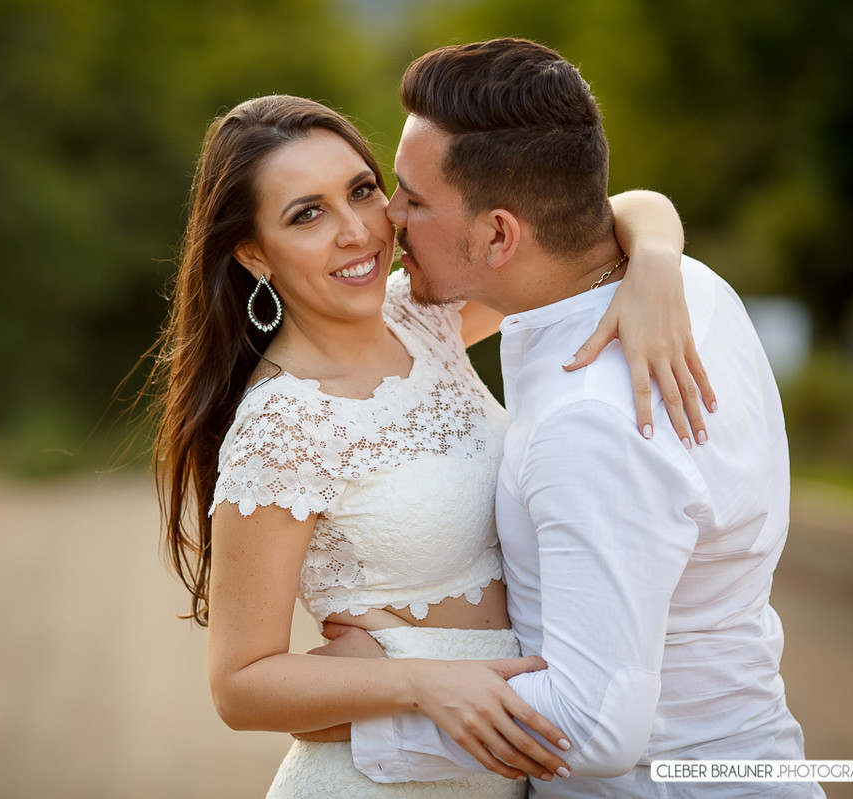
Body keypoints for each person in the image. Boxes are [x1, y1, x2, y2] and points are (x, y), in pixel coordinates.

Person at [149, 93, 709, 798]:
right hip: (376, 781)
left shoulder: (423, 316)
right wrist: (417, 679)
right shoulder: (283, 424)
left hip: (491, 773)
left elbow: (616, 207)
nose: (356, 230)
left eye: (361, 190)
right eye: (307, 214)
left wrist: (656, 258)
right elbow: (238, 684)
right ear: (254, 253)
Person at [341, 38, 823, 798]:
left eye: (413, 198)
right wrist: (658, 249)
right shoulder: (687, 285)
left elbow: (591, 724)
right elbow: (635, 208)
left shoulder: (591, 420)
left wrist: (363, 707)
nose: (388, 218)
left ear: (500, 234)